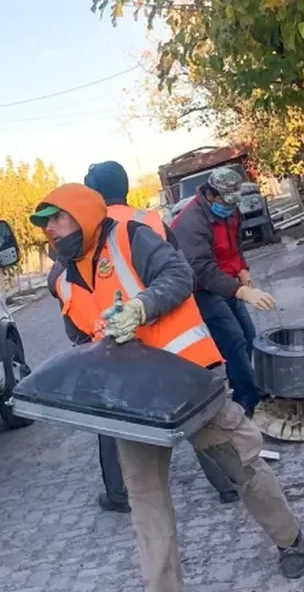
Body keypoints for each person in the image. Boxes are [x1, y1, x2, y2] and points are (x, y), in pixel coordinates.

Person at [31, 184, 304, 592]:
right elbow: (78, 334)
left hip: (188, 379)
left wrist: (141, 307)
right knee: (145, 497)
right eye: (44, 224)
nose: (51, 231)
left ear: (81, 214)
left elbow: (179, 277)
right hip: (133, 399)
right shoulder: (59, 278)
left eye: (56, 219)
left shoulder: (130, 237)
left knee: (241, 466)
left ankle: (291, 539)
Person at [80, 161, 237, 512]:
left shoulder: (93, 235)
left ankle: (121, 494)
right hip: (175, 343)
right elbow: (181, 275)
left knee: (111, 421)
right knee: (200, 419)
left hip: (124, 351)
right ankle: (229, 483)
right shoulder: (149, 220)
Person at [170, 166, 275, 417]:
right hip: (201, 288)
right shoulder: (189, 223)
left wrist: (242, 270)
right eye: (225, 203)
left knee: (248, 334)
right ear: (210, 193)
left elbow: (233, 244)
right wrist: (242, 292)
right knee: (233, 339)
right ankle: (248, 399)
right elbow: (203, 271)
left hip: (227, 281)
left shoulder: (230, 209)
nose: (230, 209)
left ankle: (242, 386)